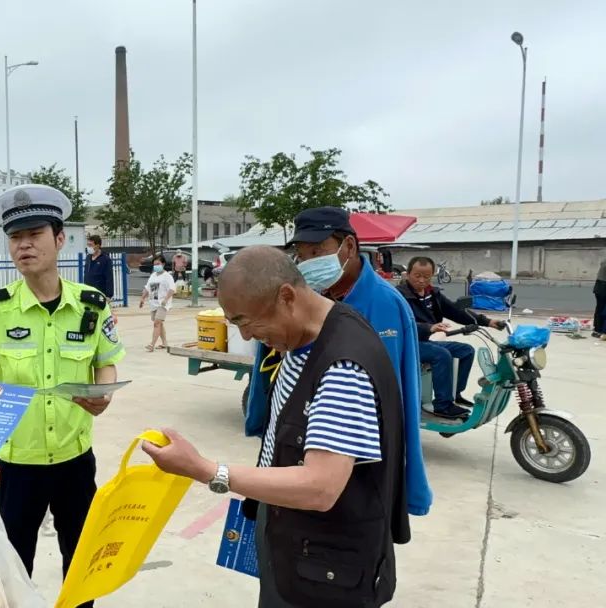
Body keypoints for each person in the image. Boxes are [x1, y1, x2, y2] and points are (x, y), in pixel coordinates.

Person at [145, 246, 408, 608]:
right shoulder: (316, 334)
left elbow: (320, 487)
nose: (249, 336)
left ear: (286, 296)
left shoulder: (341, 369)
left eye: (247, 321)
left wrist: (206, 470)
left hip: (326, 574)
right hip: (296, 549)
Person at [0, 184, 124, 607]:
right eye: (15, 238)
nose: (23, 245)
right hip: (16, 464)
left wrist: (105, 392)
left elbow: (107, 359)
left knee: (81, 561)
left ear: (60, 239)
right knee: (12, 562)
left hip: (75, 460)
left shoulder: (92, 306)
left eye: (34, 235)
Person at [243, 206, 432, 517]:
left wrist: (407, 485)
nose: (310, 263)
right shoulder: (302, 297)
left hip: (352, 459)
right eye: (303, 255)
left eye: (318, 251)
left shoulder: (384, 304)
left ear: (349, 246)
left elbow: (394, 395)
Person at [399, 256, 505, 419]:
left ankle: (455, 393)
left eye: (426, 276)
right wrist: (429, 327)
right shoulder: (399, 296)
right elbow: (400, 323)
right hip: (406, 344)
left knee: (466, 351)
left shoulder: (432, 294)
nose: (421, 280)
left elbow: (456, 311)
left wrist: (487, 321)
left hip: (424, 341)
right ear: (408, 275)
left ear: (433, 275)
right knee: (441, 355)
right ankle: (443, 405)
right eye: (417, 276)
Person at [140, 254, 175, 352]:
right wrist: (142, 298)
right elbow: (147, 288)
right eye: (154, 264)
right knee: (159, 324)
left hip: (162, 304)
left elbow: (172, 289)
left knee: (157, 323)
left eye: (158, 264)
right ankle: (164, 343)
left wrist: (166, 299)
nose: (156, 266)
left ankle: (152, 344)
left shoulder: (167, 276)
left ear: (163, 264)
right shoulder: (152, 276)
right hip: (153, 303)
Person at [83, 234, 114, 299]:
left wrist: (109, 295)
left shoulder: (105, 259)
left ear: (98, 245)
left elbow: (109, 278)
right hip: (88, 292)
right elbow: (86, 274)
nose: (88, 247)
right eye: (88, 245)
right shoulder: (88, 257)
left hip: (100, 294)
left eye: (90, 245)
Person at [593, 258, 606, 339]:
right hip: (603, 287)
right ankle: (599, 330)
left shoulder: (604, 261)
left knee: (599, 308)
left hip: (599, 286)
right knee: (602, 310)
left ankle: (597, 329)